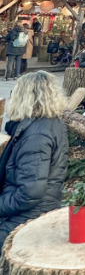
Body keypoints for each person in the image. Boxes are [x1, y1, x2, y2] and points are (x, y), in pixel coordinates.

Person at [0, 71, 68, 249]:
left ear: (24, 97)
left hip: (30, 215)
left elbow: (29, 194)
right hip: (36, 205)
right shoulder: (47, 123)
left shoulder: (37, 135)